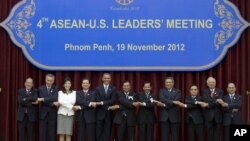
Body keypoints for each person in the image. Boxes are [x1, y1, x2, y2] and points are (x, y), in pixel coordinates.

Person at [157, 77, 181, 141]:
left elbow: (176, 101)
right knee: (164, 136)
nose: (168, 84)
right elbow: (162, 99)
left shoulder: (178, 91)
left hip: (174, 116)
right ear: (165, 83)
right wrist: (172, 101)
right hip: (164, 116)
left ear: (173, 83)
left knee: (175, 136)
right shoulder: (161, 91)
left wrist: (164, 104)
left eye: (170, 82)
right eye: (167, 82)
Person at [95, 73, 117, 141]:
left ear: (110, 79)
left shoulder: (113, 88)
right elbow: (97, 101)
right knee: (98, 132)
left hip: (108, 114)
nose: (106, 79)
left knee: (107, 132)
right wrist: (107, 107)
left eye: (108, 78)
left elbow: (112, 100)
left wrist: (102, 103)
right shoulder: (98, 88)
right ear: (102, 79)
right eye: (105, 78)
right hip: (99, 113)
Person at [37, 74, 59, 141]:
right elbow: (43, 101)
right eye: (48, 80)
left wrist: (43, 99)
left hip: (52, 114)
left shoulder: (56, 88)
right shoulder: (40, 88)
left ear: (53, 81)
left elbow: (55, 97)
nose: (49, 82)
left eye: (51, 81)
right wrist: (52, 103)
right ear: (45, 80)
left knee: (51, 134)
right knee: (42, 134)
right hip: (43, 114)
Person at [201, 77, 223, 141]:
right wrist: (215, 100)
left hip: (217, 116)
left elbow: (219, 102)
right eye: (210, 82)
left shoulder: (220, 91)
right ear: (207, 84)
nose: (212, 83)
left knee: (217, 135)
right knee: (209, 135)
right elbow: (205, 100)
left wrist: (208, 104)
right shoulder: (204, 91)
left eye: (213, 82)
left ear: (215, 83)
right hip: (208, 116)